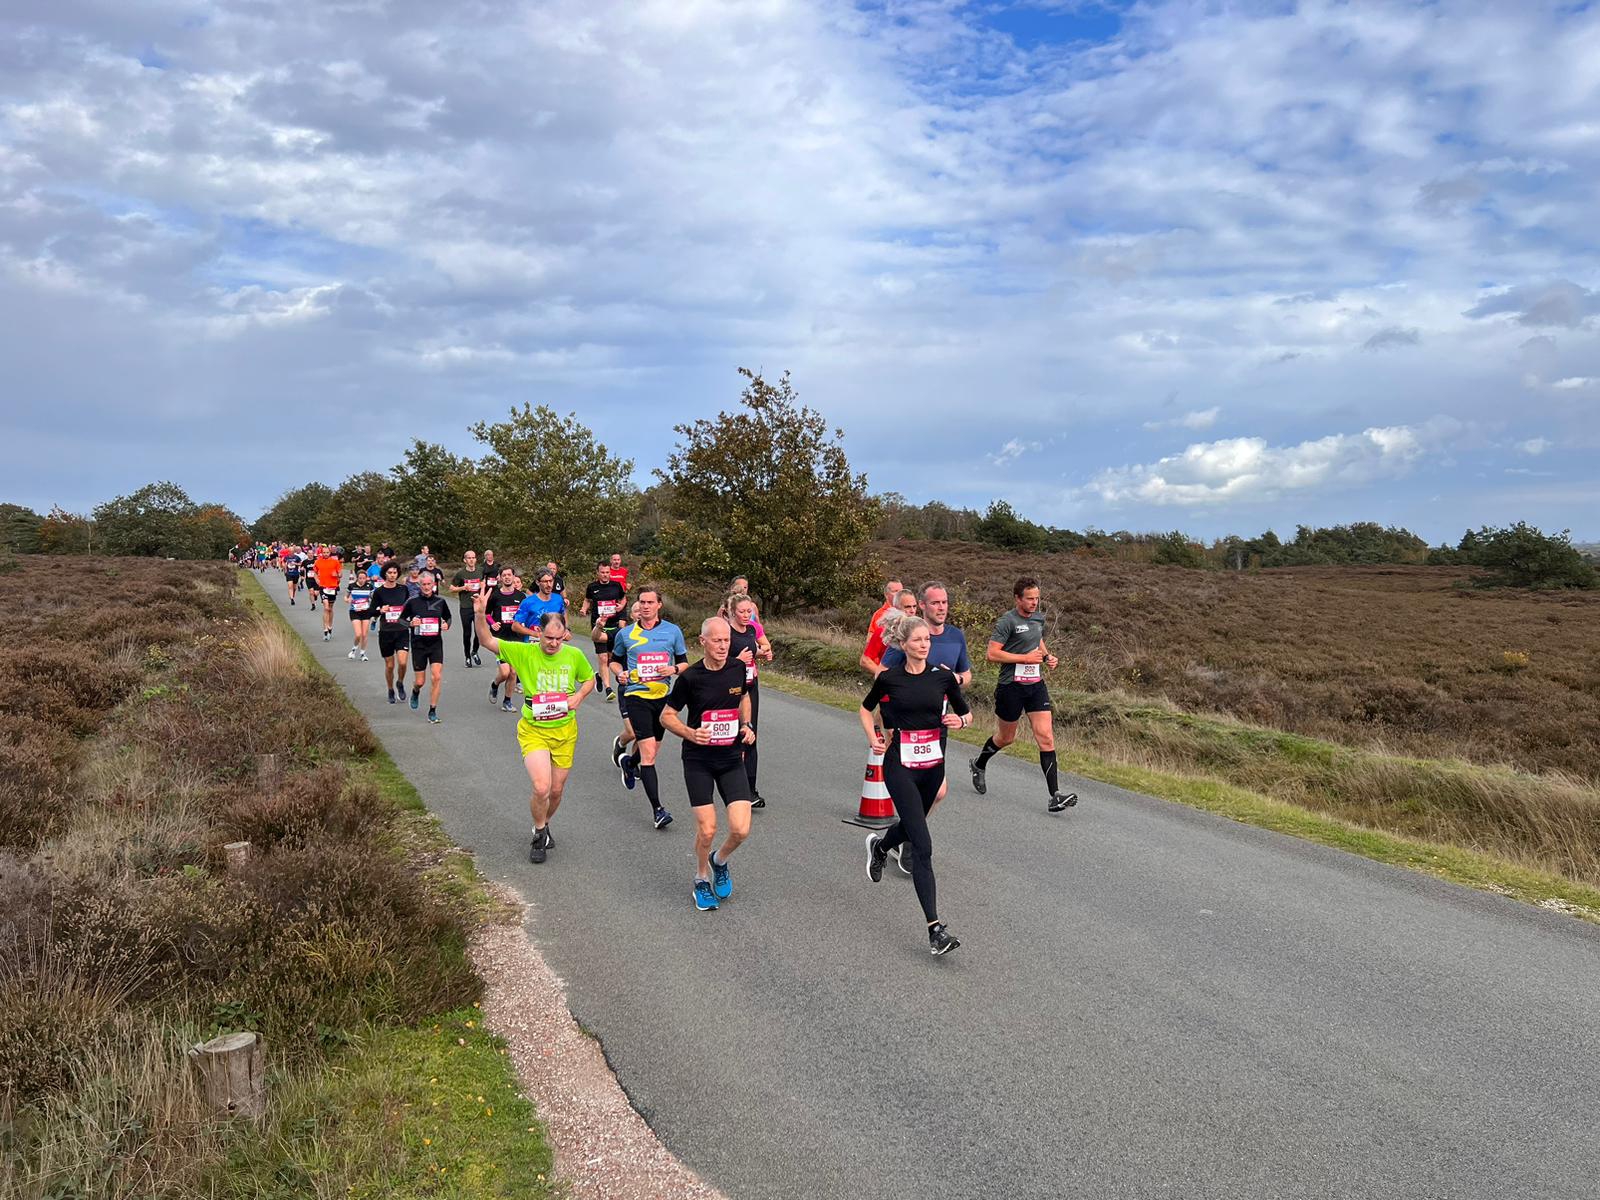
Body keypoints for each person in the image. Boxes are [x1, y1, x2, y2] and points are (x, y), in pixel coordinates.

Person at [861, 610, 971, 957]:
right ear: (904, 644)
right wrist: (874, 736)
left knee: (912, 826)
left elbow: (966, 712)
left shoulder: (942, 678)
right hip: (899, 766)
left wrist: (961, 721)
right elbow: (865, 709)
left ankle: (880, 847)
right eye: (918, 640)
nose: (924, 644)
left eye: (927, 639)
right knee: (923, 846)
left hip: (932, 766)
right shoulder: (889, 678)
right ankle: (935, 930)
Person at [473, 596, 595, 864]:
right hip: (534, 729)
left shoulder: (574, 655)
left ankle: (545, 822)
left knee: (556, 791)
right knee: (541, 787)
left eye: (558, 639)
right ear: (539, 633)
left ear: (565, 636)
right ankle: (539, 834)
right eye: (549, 638)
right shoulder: (524, 652)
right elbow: (487, 641)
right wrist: (481, 615)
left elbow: (589, 679)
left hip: (564, 731)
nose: (553, 644)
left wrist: (579, 697)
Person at [662, 616, 756, 911]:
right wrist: (690, 733)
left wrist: (746, 724)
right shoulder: (690, 677)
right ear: (703, 642)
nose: (723, 646)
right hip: (698, 760)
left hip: (730, 759)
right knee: (707, 829)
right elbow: (666, 715)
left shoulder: (737, 668)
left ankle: (720, 860)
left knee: (741, 830)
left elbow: (743, 697)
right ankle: (701, 879)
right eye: (717, 640)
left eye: (727, 640)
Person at [877, 581, 971, 873]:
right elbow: (884, 676)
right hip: (907, 727)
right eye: (935, 603)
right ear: (923, 605)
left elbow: (966, 675)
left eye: (944, 602)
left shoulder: (956, 637)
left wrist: (951, 680)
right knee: (930, 790)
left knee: (937, 792)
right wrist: (888, 726)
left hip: (937, 727)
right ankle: (910, 840)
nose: (941, 608)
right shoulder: (911, 635)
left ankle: (902, 835)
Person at [970, 577, 1076, 812]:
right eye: (1029, 598)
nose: (1034, 603)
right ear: (1017, 598)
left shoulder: (1039, 618)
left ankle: (1055, 795)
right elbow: (992, 654)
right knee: (1006, 738)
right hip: (1011, 686)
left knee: (1046, 736)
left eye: (1037, 598)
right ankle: (979, 764)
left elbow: (1036, 639)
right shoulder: (1007, 621)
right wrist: (1024, 658)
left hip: (1035, 685)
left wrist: (1047, 657)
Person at [610, 586, 689, 830]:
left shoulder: (673, 632)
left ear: (658, 605)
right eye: (641, 602)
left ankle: (629, 764)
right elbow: (614, 661)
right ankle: (658, 810)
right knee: (650, 756)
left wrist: (673, 670)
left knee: (653, 749)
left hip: (663, 698)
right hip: (636, 696)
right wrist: (620, 673)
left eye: (650, 602)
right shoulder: (626, 634)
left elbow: (684, 663)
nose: (645, 606)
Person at [724, 593, 773, 808]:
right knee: (732, 735)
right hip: (729, 689)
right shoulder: (726, 632)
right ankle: (729, 781)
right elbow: (716, 659)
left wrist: (762, 654)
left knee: (751, 733)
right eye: (742, 611)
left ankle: (750, 789)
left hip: (750, 687)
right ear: (733, 611)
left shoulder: (752, 630)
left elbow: (754, 651)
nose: (746, 615)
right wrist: (737, 660)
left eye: (749, 611)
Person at [399, 572, 452, 723]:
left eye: (429, 584)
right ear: (420, 585)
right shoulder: (412, 602)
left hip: (435, 644)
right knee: (420, 681)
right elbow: (401, 620)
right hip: (418, 645)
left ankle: (432, 710)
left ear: (433, 584)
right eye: (424, 584)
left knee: (436, 677)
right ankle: (415, 691)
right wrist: (410, 623)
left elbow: (448, 617)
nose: (427, 587)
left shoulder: (440, 601)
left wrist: (446, 624)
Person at [484, 566, 528, 713]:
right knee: (504, 673)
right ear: (500, 578)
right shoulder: (495, 596)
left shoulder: (521, 597)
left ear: (514, 577)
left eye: (509, 575)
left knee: (513, 673)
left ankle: (507, 701)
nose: (507, 578)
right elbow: (486, 614)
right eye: (504, 575)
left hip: (517, 639)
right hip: (500, 639)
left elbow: (526, 615)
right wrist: (492, 623)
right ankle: (495, 684)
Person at [582, 561, 626, 703]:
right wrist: (584, 609)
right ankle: (608, 689)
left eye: (607, 572)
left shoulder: (616, 586)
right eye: (602, 572)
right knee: (603, 658)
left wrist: (620, 607)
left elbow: (623, 599)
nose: (605, 575)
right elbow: (587, 600)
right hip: (599, 626)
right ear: (598, 573)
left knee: (611, 657)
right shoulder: (592, 587)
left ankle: (600, 676)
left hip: (614, 626)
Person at [370, 563, 413, 703]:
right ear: (385, 574)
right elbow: (371, 610)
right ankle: (390, 689)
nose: (392, 575)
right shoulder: (379, 592)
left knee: (402, 663)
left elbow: (409, 606)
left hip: (402, 630)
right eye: (390, 573)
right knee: (389, 665)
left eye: (395, 572)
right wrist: (380, 611)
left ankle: (400, 682)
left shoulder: (403, 589)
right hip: (386, 631)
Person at [860, 587, 918, 674]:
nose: (912, 611)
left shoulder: (919, 630)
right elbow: (865, 661)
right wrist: (885, 679)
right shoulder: (883, 631)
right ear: (896, 608)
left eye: (914, 606)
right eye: (907, 607)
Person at [451, 551, 486, 668]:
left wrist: (482, 586)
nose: (471, 560)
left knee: (478, 633)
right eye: (469, 558)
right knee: (467, 633)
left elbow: (484, 583)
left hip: (477, 607)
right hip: (465, 607)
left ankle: (474, 652)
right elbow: (451, 588)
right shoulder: (461, 574)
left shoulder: (480, 571)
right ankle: (467, 656)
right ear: (465, 560)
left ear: (476, 559)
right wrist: (463, 587)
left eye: (473, 558)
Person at [512, 569, 567, 640]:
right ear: (538, 582)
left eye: (551, 581)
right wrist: (535, 634)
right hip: (532, 645)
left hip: (552, 645)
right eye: (545, 582)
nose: (549, 585)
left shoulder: (558, 599)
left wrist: (566, 629)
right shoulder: (528, 602)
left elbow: (563, 614)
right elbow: (515, 626)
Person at [313, 547, 343, 641]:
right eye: (324, 552)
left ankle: (330, 626)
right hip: (323, 587)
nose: (325, 554)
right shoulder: (318, 562)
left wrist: (337, 575)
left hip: (332, 587)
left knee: (330, 608)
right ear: (321, 553)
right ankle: (325, 629)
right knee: (326, 607)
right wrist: (317, 579)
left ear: (330, 553)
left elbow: (341, 574)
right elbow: (314, 572)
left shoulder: (335, 562)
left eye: (327, 552)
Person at [346, 572, 374, 661]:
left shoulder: (370, 587)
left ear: (366, 578)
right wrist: (348, 599)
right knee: (358, 634)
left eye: (364, 578)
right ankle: (353, 650)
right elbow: (346, 597)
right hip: (355, 611)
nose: (362, 580)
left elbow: (373, 598)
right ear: (357, 578)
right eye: (360, 578)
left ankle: (363, 653)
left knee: (365, 634)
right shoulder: (352, 586)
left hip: (366, 611)